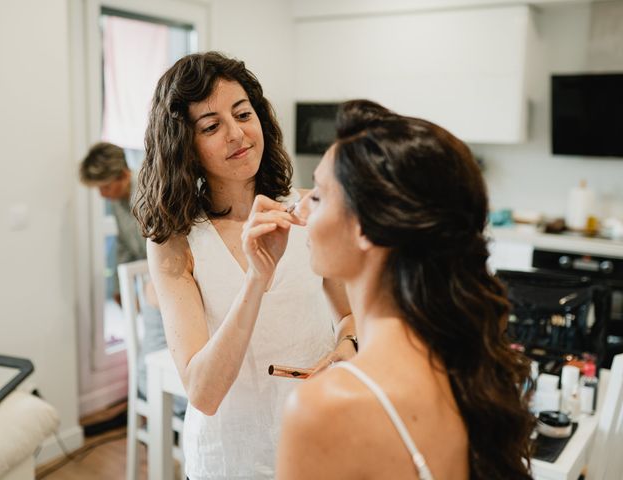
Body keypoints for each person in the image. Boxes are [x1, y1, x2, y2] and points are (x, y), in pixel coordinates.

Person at [276, 100, 535, 480]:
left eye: (316, 194)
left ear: (364, 226)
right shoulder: (469, 364)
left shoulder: (325, 408)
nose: (300, 211)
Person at [133, 51, 356, 479]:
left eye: (243, 114)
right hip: (229, 457)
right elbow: (203, 393)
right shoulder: (174, 242)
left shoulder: (308, 209)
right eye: (212, 126)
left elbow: (350, 315)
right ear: (185, 146)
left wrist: (344, 352)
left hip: (318, 439)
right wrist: (257, 277)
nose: (237, 134)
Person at [79, 143, 186, 415]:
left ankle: (173, 408)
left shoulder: (150, 192)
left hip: (168, 282)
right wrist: (118, 287)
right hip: (149, 283)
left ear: (123, 175)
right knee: (153, 353)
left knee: (157, 356)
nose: (103, 194)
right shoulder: (118, 202)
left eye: (105, 186)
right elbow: (125, 244)